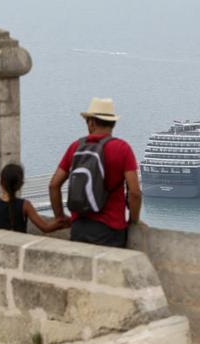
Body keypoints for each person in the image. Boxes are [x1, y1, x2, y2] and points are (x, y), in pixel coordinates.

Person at [49, 97, 142, 248]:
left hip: (79, 227)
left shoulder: (76, 146)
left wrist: (60, 217)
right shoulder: (123, 149)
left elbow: (54, 185)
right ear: (113, 123)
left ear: (91, 122)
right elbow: (135, 193)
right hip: (111, 230)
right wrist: (133, 220)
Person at [0, 163, 67, 234]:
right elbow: (45, 228)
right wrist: (61, 223)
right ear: (20, 185)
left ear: (1, 182)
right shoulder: (25, 205)